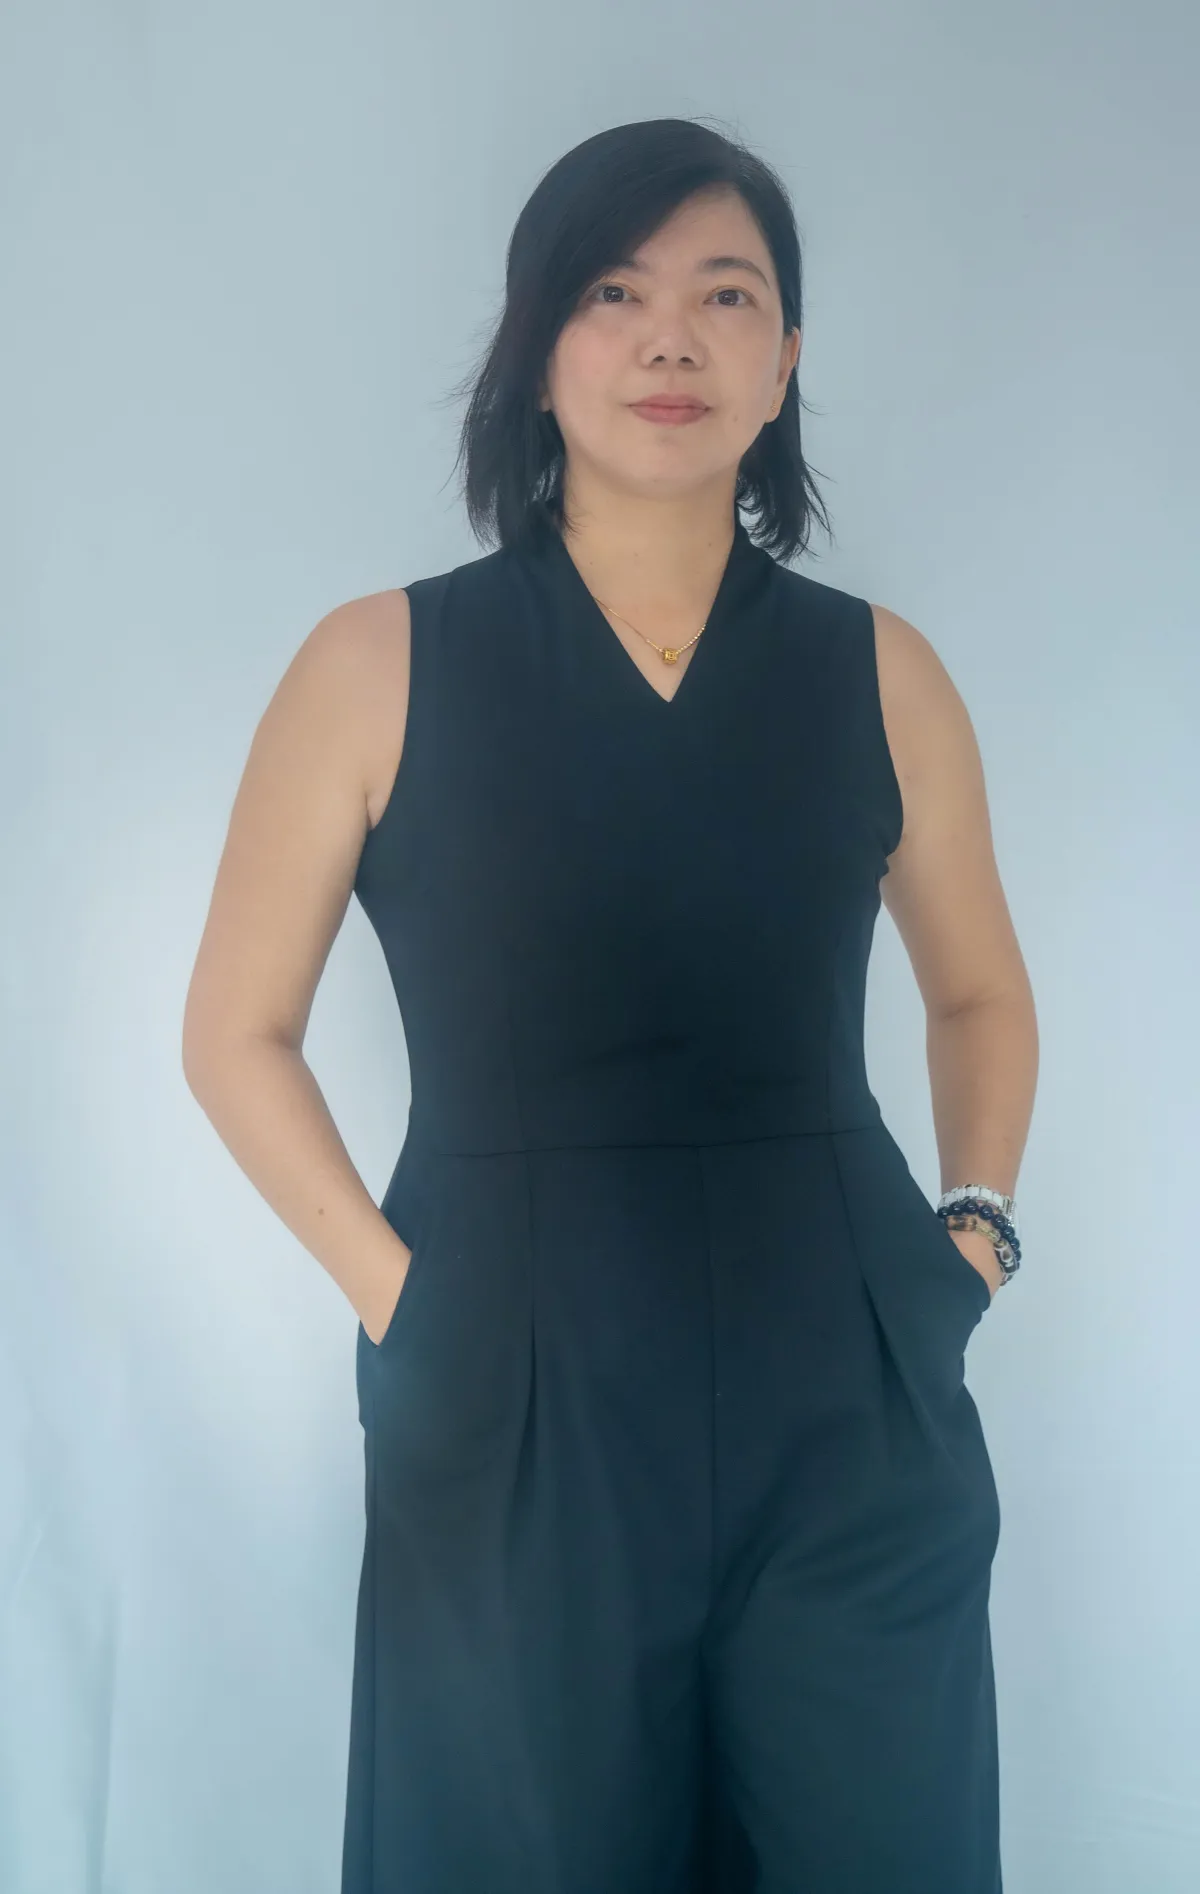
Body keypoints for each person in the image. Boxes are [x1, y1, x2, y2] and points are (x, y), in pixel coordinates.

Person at [183, 115, 1036, 1894]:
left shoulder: (882, 672)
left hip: (851, 1391)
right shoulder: (376, 662)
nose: (672, 339)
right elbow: (233, 1032)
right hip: (512, 1386)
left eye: (727, 296)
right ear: (537, 347)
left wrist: (972, 1239)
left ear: (784, 359)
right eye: (615, 292)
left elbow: (977, 991)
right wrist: (407, 1303)